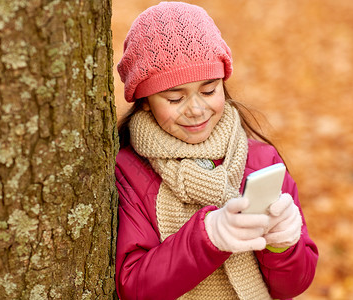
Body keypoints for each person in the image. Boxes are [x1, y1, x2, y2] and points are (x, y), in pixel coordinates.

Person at [115, 2, 318, 299]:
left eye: (209, 91)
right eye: (174, 98)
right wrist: (208, 237)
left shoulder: (261, 161)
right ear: (144, 100)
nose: (197, 109)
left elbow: (293, 285)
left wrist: (283, 244)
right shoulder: (129, 173)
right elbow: (133, 287)